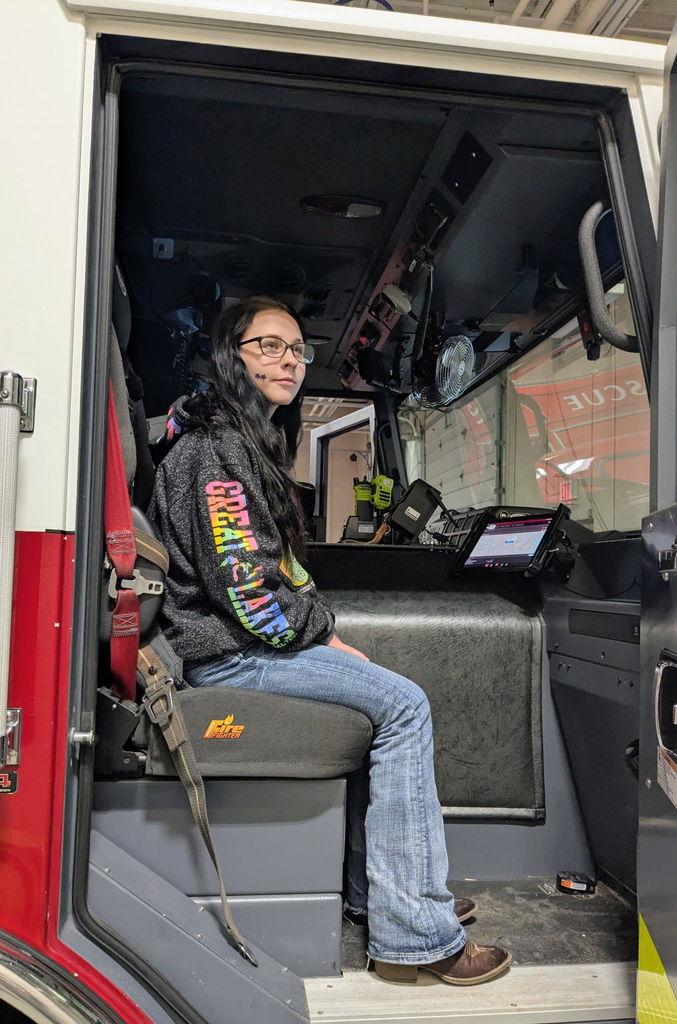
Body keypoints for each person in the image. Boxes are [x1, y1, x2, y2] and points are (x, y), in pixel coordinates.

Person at [148, 295, 511, 986]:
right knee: (404, 705)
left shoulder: (243, 443)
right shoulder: (216, 450)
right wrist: (317, 634)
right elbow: (250, 594)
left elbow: (276, 574)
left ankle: (382, 897)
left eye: (296, 349)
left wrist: (323, 636)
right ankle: (415, 937)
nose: (288, 360)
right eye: (268, 346)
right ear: (230, 356)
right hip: (228, 658)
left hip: (242, 645)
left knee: (380, 701)